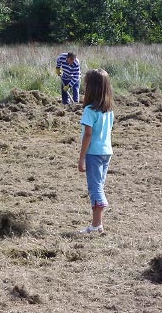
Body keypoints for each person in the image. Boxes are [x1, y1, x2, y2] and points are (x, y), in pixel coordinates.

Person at [77, 69, 114, 233]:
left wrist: (81, 158)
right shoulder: (109, 110)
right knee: (99, 185)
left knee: (95, 188)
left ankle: (96, 224)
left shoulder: (89, 111)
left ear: (91, 88)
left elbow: (88, 135)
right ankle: (97, 225)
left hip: (93, 153)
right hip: (107, 152)